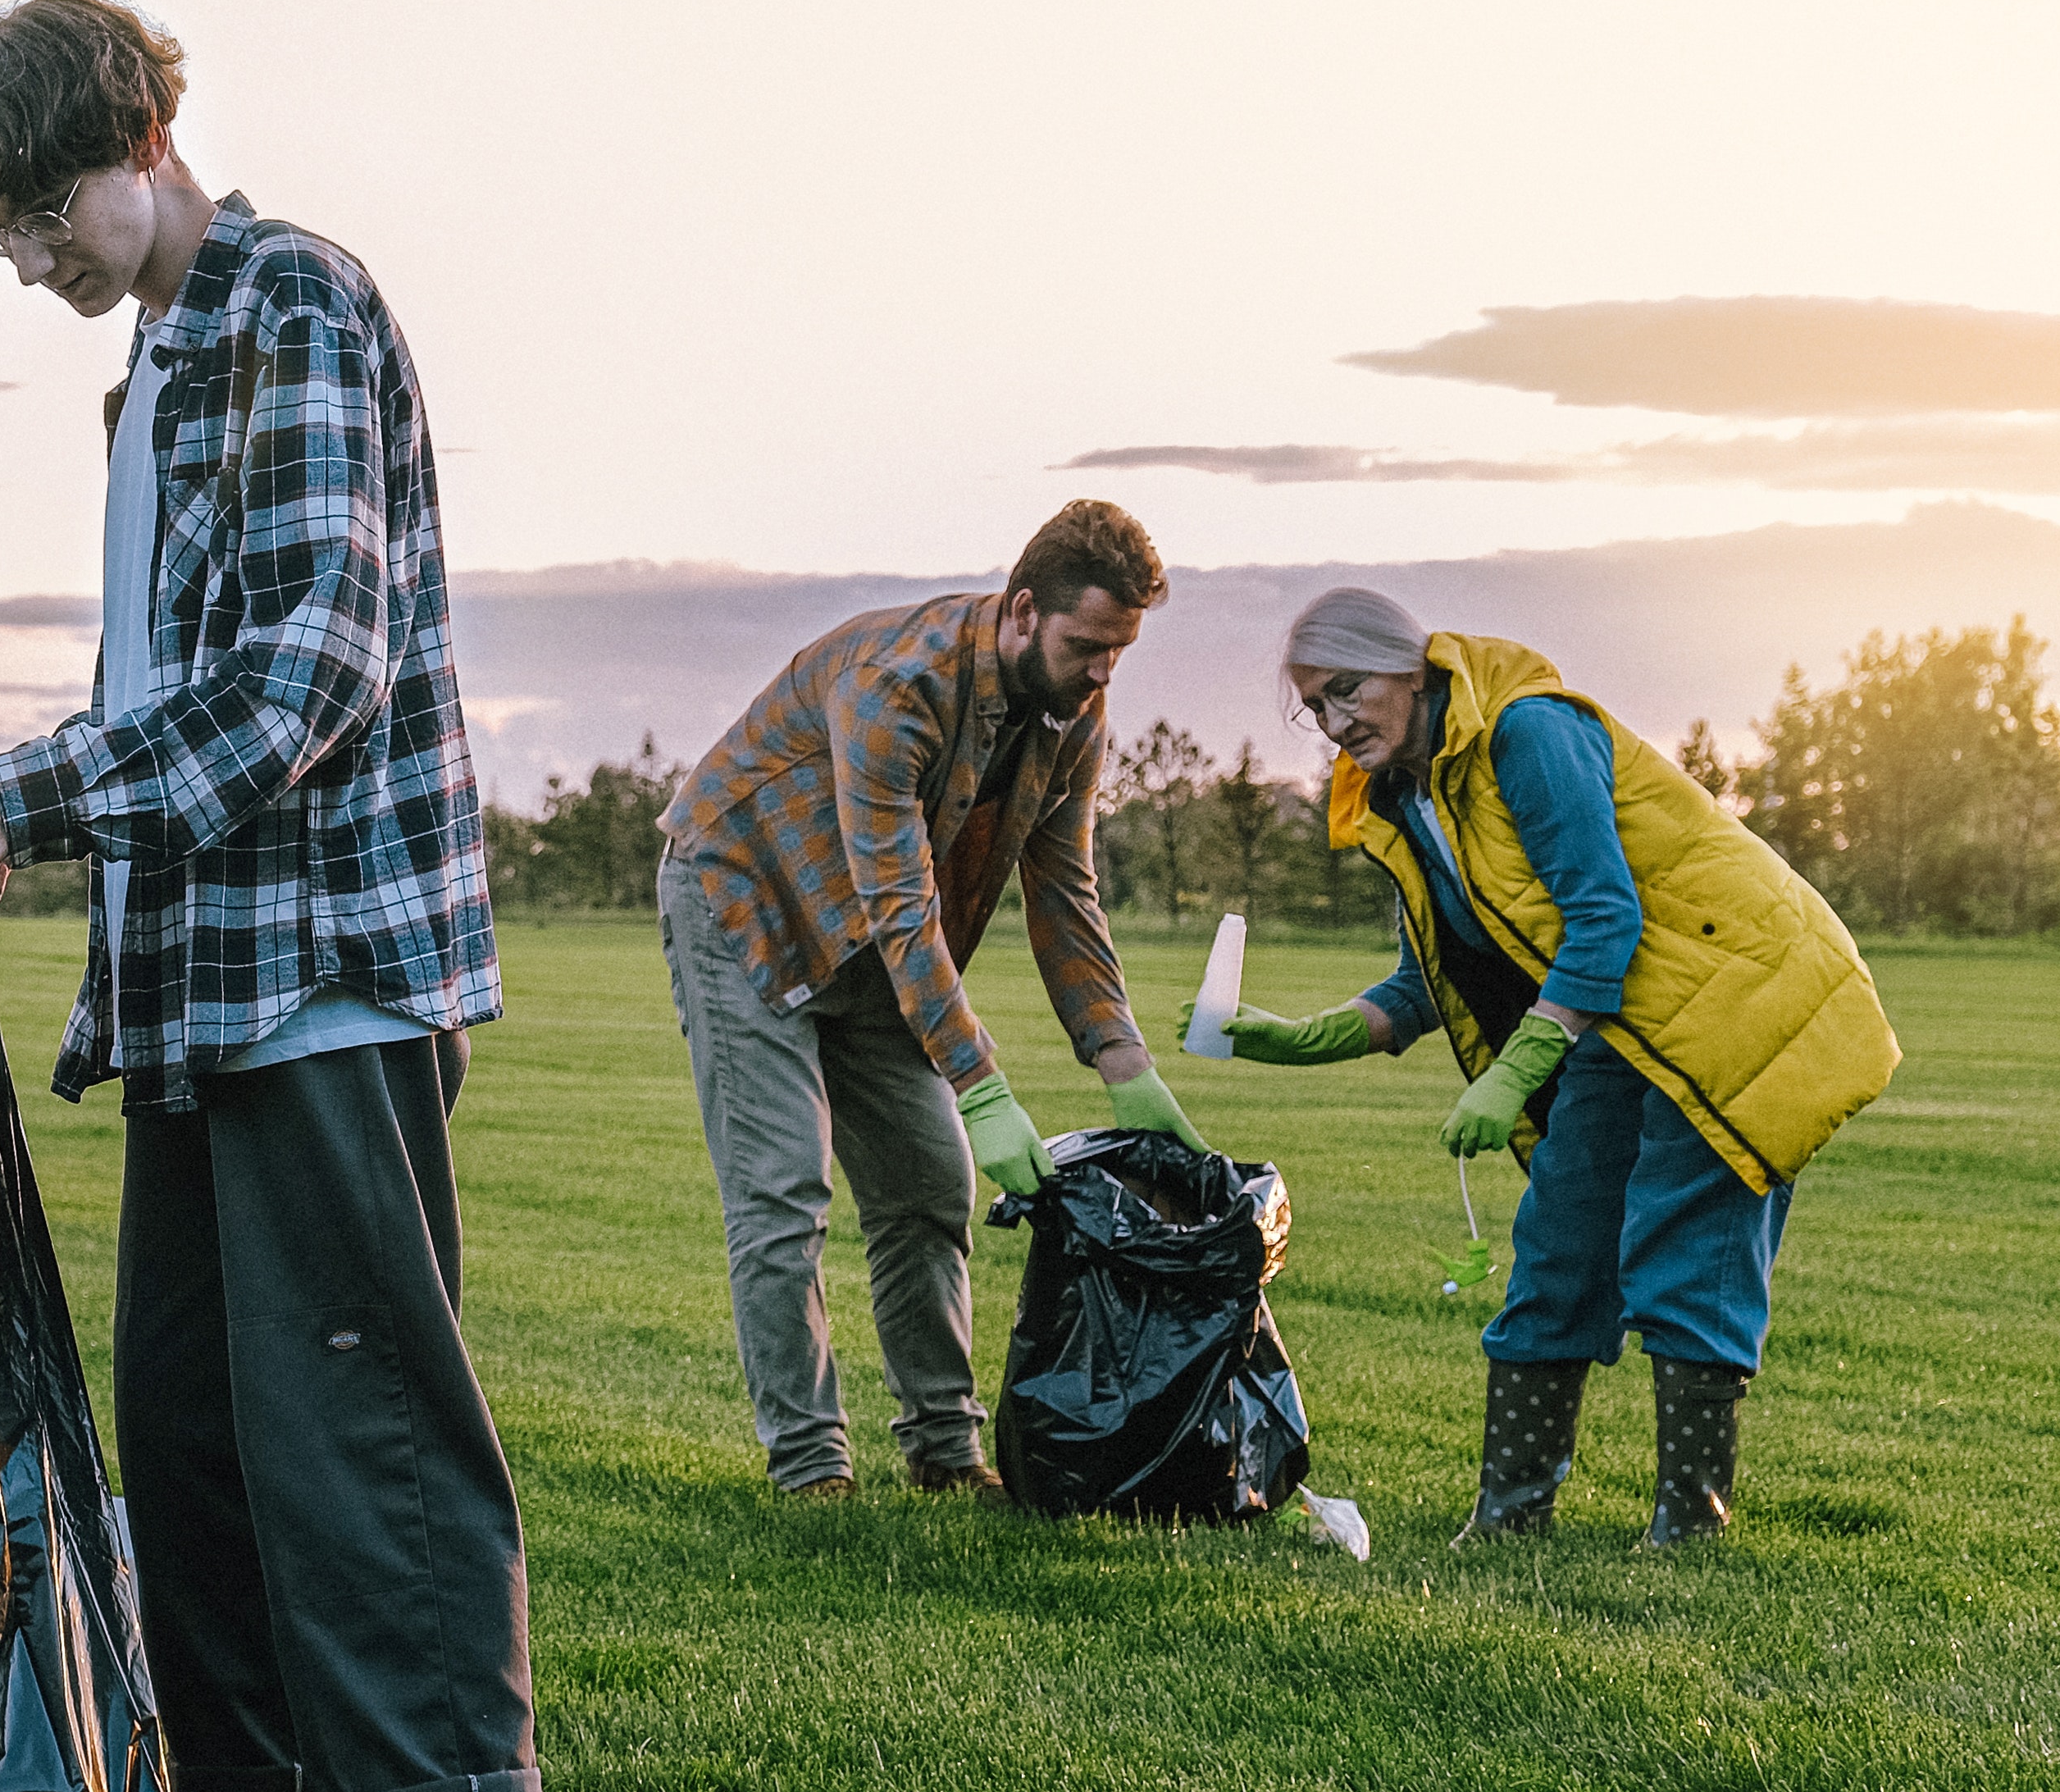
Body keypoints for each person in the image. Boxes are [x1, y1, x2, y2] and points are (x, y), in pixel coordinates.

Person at [0, 0, 564, 1792]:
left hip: (331, 969)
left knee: (360, 1415)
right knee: (197, 1422)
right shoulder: (162, 364)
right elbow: (171, 682)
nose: (23, 263)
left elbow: (308, 674)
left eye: (28, 217)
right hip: (199, 981)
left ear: (134, 141)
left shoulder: (293, 304)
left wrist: (34, 794)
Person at [1223, 587, 1898, 1547]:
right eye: (1315, 708)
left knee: (1685, 1245)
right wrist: (1303, 1035)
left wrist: (1518, 1066)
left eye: (1346, 691)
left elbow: (1603, 917)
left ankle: (1689, 1524)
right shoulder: (1414, 797)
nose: (1335, 724)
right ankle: (1509, 1514)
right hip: (1622, 1015)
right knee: (1558, 1244)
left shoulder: (1526, 735)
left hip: (1733, 998)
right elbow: (1437, 974)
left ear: (1409, 669)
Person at [656, 502, 1203, 1498]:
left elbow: (1063, 887)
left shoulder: (1074, 713)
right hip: (747, 907)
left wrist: (1123, 1060)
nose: (1103, 672)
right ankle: (811, 1468)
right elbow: (901, 906)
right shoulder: (895, 684)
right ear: (1024, 609)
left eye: (1120, 651)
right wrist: (982, 1084)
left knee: (928, 1189)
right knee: (783, 1194)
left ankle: (947, 1453)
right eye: (1087, 645)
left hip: (874, 944)